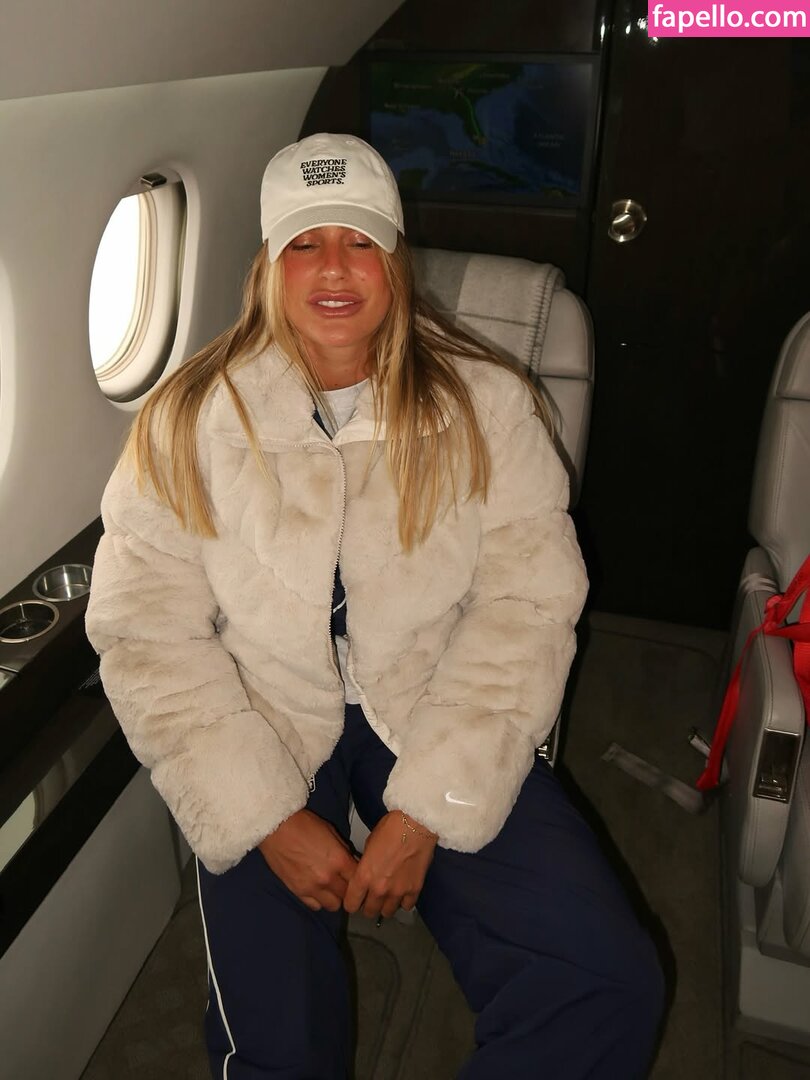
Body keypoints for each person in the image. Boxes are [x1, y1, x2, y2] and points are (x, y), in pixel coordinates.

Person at [85, 133, 664, 1079]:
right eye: (305, 243)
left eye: (359, 239)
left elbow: (527, 603)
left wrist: (431, 807)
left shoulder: (489, 404)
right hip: (261, 715)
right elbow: (144, 629)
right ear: (268, 266)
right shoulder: (187, 418)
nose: (334, 268)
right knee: (277, 1047)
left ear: (395, 257)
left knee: (606, 982)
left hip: (439, 700)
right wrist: (264, 815)